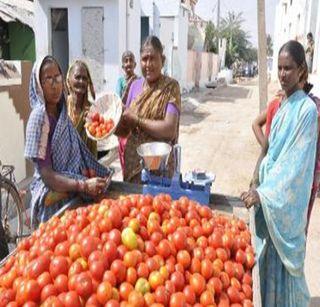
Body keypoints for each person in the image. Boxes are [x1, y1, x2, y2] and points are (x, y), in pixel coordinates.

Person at [241, 40, 318, 306]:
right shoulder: (283, 105)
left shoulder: (307, 111)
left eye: (289, 68)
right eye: (280, 68)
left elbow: (295, 167)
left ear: (301, 71)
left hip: (286, 202)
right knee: (267, 269)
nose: (283, 74)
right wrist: (257, 179)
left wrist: (264, 194)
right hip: (269, 196)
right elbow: (270, 151)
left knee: (288, 273)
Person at [24, 56, 111, 228]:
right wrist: (84, 185)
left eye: (57, 77)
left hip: (71, 188)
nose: (55, 84)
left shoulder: (62, 113)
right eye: (48, 79)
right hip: (52, 196)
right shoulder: (40, 118)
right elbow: (47, 175)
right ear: (38, 84)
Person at [116, 36, 181, 183]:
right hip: (133, 165)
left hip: (159, 168)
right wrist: (112, 124)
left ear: (162, 60)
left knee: (156, 206)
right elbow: (126, 131)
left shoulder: (171, 87)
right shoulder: (134, 85)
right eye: (144, 59)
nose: (148, 64)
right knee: (132, 205)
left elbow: (169, 129)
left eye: (153, 59)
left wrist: (138, 120)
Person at [66, 60, 97, 157]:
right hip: (65, 167)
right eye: (77, 77)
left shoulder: (92, 110)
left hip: (88, 168)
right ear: (69, 80)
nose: (81, 81)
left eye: (84, 78)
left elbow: (94, 142)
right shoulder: (62, 107)